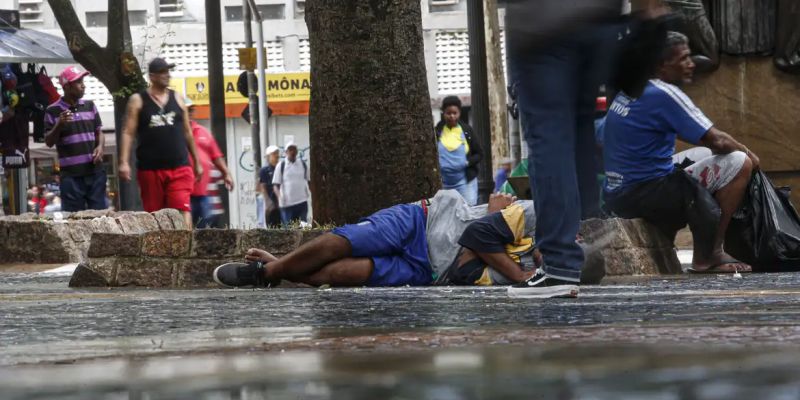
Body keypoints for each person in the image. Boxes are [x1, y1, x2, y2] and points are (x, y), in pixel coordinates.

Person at [603, 31, 758, 273]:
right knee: (740, 163)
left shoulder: (633, 87)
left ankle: (708, 250)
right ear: (662, 65)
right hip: (644, 193)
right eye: (684, 58)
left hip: (619, 192)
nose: (691, 64)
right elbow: (717, 140)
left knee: (704, 154)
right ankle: (709, 255)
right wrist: (750, 154)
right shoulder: (663, 93)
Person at [212, 190, 539, 289]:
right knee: (339, 243)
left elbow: (468, 271)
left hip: (429, 272)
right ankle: (265, 274)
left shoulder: (538, 278)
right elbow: (476, 235)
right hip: (423, 220)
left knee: (341, 275)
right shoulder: (539, 217)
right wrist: (516, 272)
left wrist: (489, 242)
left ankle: (278, 267)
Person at [118, 58, 202, 228]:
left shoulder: (178, 98)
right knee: (155, 215)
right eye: (162, 72)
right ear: (152, 76)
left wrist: (197, 162)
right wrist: (123, 162)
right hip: (150, 169)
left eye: (168, 71)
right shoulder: (138, 100)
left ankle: (187, 250)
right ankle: (161, 253)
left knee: (182, 209)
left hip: (179, 166)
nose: (167, 75)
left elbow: (187, 132)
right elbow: (128, 131)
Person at [43, 66, 106, 212]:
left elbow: (99, 133)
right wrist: (59, 124)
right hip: (71, 177)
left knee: (100, 219)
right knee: (73, 220)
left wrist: (100, 147)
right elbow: (48, 141)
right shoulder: (52, 110)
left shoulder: (90, 106)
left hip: (95, 173)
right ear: (67, 86)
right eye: (78, 82)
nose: (83, 85)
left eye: (82, 81)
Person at [186, 98, 234, 228]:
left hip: (203, 192)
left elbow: (216, 155)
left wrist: (226, 173)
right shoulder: (176, 133)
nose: (189, 112)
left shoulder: (203, 132)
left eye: (191, 110)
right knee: (185, 229)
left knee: (207, 227)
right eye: (186, 110)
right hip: (183, 193)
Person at [434, 96, 482, 206]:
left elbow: (479, 154)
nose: (452, 116)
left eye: (455, 113)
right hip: (445, 184)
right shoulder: (438, 131)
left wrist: (466, 163)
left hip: (465, 182)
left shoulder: (467, 131)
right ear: (443, 113)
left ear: (459, 113)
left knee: (468, 209)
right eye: (448, 113)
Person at [272, 142, 310, 225]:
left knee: (303, 228)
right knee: (288, 231)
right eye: (290, 150)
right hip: (287, 204)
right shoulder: (281, 165)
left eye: (294, 149)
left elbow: (308, 180)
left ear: (296, 151)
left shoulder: (302, 164)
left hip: (302, 202)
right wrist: (280, 197)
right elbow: (275, 185)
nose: (292, 152)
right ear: (286, 152)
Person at [259, 145, 281, 227]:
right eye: (274, 154)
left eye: (277, 153)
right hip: (271, 204)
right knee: (272, 227)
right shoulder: (264, 170)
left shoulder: (281, 168)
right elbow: (263, 187)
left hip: (282, 203)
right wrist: (268, 202)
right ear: (268, 157)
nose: (276, 155)